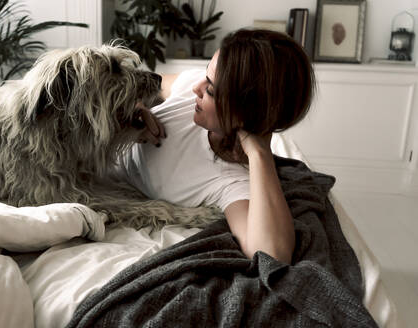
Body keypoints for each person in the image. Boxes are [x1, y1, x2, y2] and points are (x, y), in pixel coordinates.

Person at [117, 28, 315, 264]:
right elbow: (146, 85)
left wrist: (259, 152)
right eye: (206, 75)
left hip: (94, 185)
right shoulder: (191, 91)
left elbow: (272, 254)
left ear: (243, 113)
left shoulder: (229, 181)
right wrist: (134, 107)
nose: (196, 88)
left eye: (210, 90)